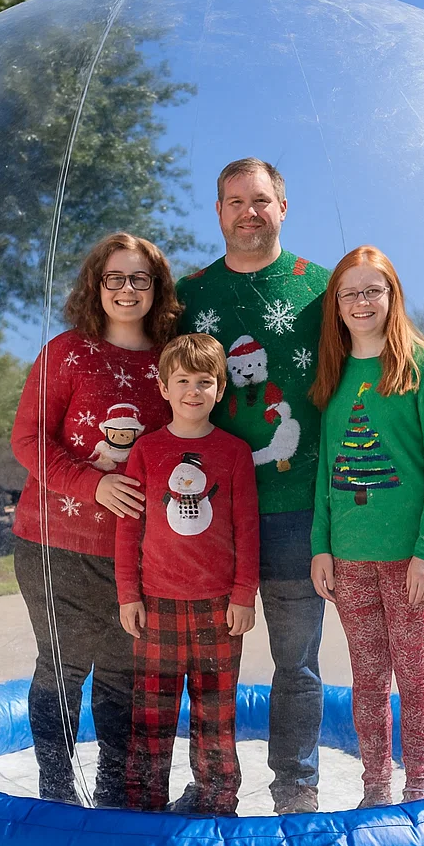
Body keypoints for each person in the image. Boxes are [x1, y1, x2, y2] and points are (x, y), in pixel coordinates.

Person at [175, 158, 328, 814]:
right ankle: (214, 787)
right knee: (211, 667)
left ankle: (295, 784)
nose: (248, 212)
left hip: (296, 514)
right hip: (211, 516)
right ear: (218, 212)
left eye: (261, 200)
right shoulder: (188, 296)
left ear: (283, 208)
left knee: (296, 664)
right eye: (235, 201)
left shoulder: (322, 289)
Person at [10, 232, 179, 806]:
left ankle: (114, 793)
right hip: (56, 544)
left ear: (157, 288)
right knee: (62, 668)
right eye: (115, 279)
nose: (127, 290)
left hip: (138, 554)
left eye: (140, 279)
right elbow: (27, 439)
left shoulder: (171, 361)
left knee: (121, 676)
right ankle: (56, 793)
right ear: (96, 286)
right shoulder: (66, 353)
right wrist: (94, 483)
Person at [308, 245, 424, 807]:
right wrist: (322, 546)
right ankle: (376, 787)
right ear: (337, 305)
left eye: (374, 290)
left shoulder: (422, 367)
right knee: (367, 679)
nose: (362, 302)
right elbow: (326, 467)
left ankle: (419, 787)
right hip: (349, 558)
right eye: (350, 293)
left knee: (414, 677)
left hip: (411, 559)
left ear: (392, 295)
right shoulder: (337, 371)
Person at [115, 333, 259, 815]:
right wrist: (127, 595)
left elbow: (247, 529)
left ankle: (218, 802)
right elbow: (128, 530)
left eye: (205, 381)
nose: (193, 391)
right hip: (155, 605)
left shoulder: (234, 453)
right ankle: (145, 806)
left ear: (220, 390)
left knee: (215, 714)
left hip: (219, 608)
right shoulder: (146, 452)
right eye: (182, 380)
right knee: (151, 715)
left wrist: (243, 595)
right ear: (163, 387)